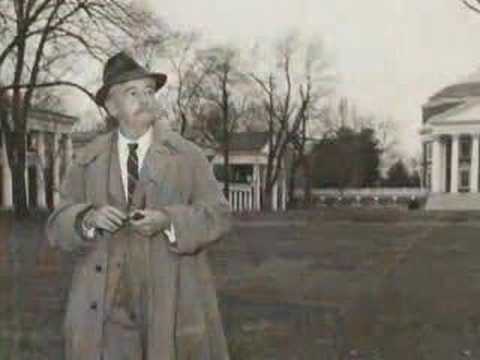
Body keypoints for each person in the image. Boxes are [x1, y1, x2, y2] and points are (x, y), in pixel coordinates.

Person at [46, 51, 232, 360]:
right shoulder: (86, 159)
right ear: (111, 106)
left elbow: (219, 216)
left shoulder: (188, 156)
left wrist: (169, 221)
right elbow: (56, 225)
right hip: (104, 304)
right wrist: (87, 219)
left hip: (172, 300)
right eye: (133, 92)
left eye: (149, 91)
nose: (145, 99)